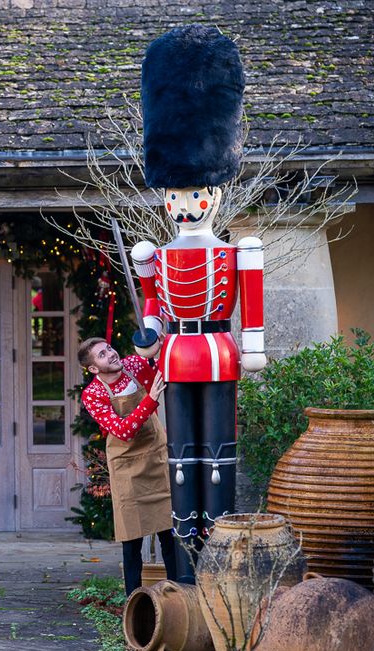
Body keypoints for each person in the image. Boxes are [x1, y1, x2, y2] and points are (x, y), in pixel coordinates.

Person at [132, 25, 266, 582]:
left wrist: (254, 341)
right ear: (165, 197)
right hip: (178, 354)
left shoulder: (238, 250)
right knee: (181, 461)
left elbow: (250, 304)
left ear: (213, 193)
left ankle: (221, 557)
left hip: (216, 348)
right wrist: (147, 322)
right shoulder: (157, 254)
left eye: (194, 195)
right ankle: (184, 568)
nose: (185, 206)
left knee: (219, 462)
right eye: (176, 196)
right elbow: (154, 311)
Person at [78, 337, 177, 596]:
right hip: (126, 469)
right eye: (102, 355)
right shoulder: (93, 394)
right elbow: (123, 431)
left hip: (156, 458)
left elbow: (161, 359)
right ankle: (134, 604)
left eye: (109, 348)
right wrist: (151, 399)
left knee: (169, 534)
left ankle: (179, 596)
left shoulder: (132, 365)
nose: (111, 354)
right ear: (93, 369)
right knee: (131, 541)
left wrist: (156, 344)